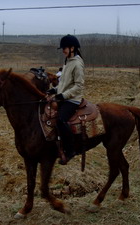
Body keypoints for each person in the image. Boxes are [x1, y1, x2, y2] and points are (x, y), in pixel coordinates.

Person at [46, 34, 85, 165]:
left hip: (72, 99)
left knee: (61, 120)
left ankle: (70, 150)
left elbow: (78, 86)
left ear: (72, 48)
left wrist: (63, 95)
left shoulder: (77, 64)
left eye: (64, 48)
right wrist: (54, 90)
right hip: (64, 97)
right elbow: (64, 83)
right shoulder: (67, 61)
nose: (63, 50)